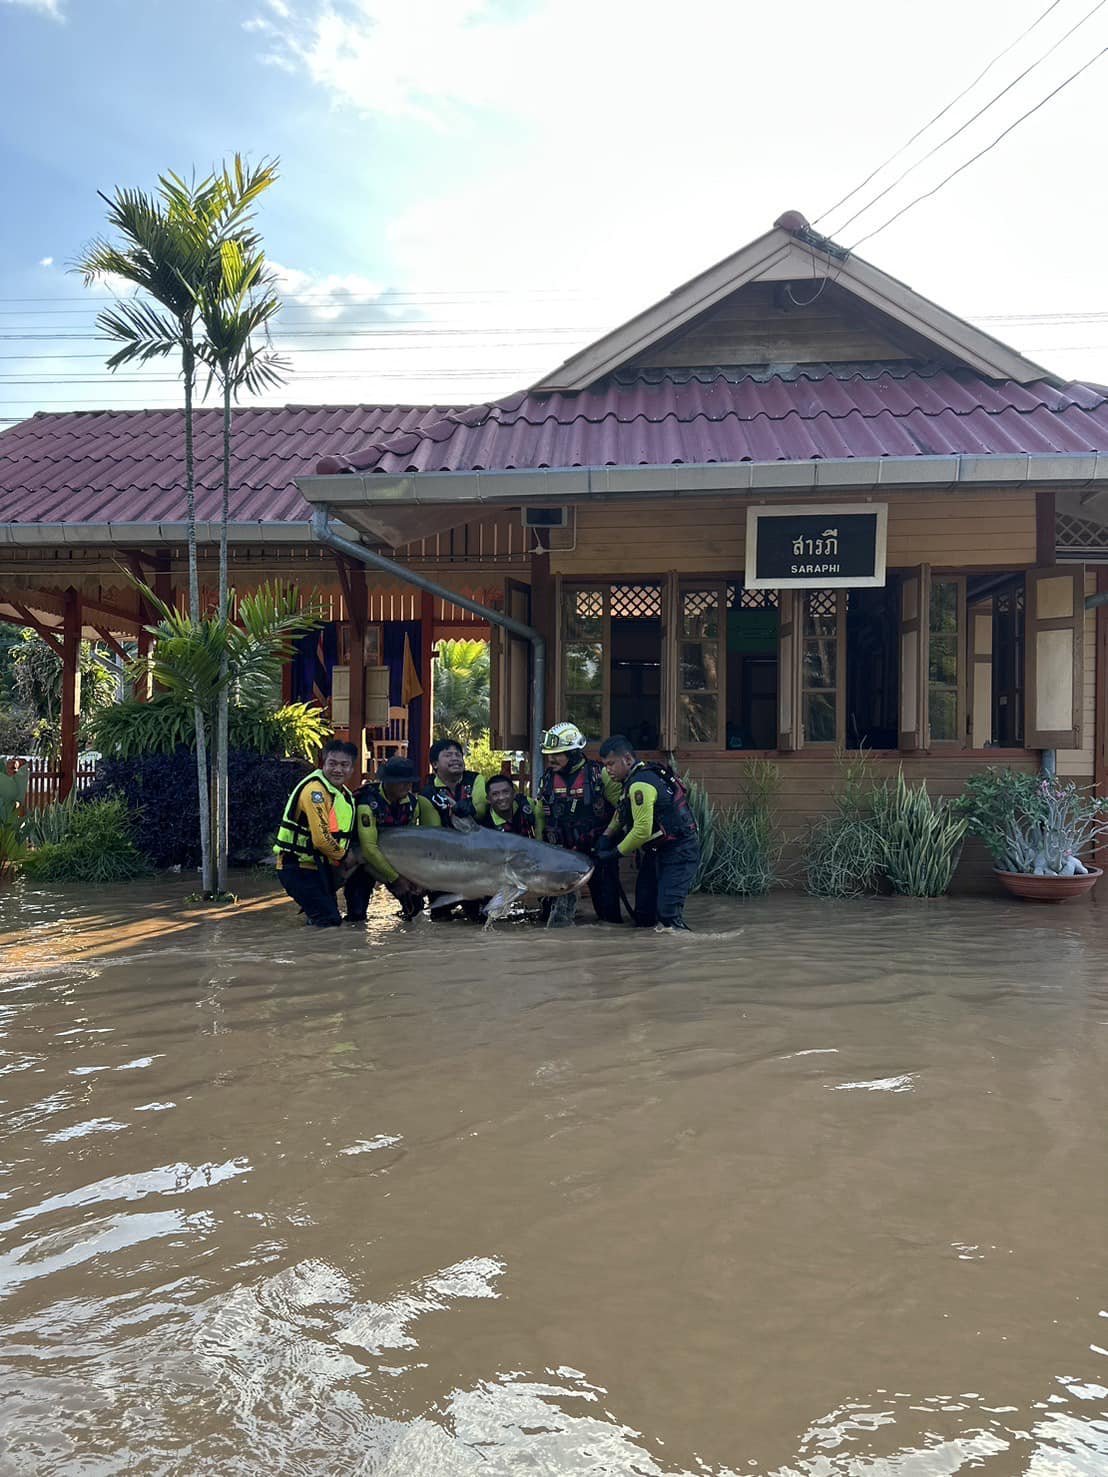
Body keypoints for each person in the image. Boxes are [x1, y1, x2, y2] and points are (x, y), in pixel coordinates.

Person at [597, 734, 700, 932]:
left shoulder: (640, 784)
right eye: (605, 765)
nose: (607, 770)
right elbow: (622, 813)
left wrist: (615, 853)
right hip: (657, 853)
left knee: (668, 915)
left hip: (680, 851)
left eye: (611, 764)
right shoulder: (631, 781)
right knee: (644, 914)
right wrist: (605, 836)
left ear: (627, 759)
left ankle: (684, 951)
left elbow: (642, 831)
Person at [536, 721, 622, 925]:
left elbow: (622, 809)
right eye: (549, 754)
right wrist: (539, 847)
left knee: (609, 917)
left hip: (598, 852)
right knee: (552, 921)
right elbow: (541, 814)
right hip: (560, 856)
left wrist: (606, 837)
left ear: (574, 753)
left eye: (557, 754)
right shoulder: (547, 779)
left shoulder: (600, 774)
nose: (551, 758)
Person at [274, 738, 359, 927]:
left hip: (318, 868)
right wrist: (346, 856)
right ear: (323, 764)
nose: (338, 770)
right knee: (328, 922)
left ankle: (308, 951)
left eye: (344, 765)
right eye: (332, 763)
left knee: (325, 919)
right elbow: (321, 840)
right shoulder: (315, 791)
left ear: (352, 769)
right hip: (298, 867)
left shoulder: (343, 794)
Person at [349, 755, 441, 921]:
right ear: (388, 781)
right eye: (401, 781)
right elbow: (368, 849)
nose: (407, 785)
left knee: (415, 908)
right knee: (357, 914)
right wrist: (396, 880)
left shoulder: (413, 803)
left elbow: (412, 844)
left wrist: (417, 878)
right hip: (364, 862)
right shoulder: (367, 803)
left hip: (396, 859)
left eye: (409, 781)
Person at [421, 738, 488, 920]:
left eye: (458, 755)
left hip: (476, 858)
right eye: (448, 755)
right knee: (440, 918)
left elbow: (481, 810)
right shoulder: (427, 793)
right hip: (443, 861)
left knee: (478, 917)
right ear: (435, 764)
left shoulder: (475, 779)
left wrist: (468, 809)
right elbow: (433, 832)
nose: (455, 758)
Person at [480, 774, 543, 840]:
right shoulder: (484, 825)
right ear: (488, 799)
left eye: (505, 792)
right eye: (495, 794)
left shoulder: (527, 803)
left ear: (514, 793)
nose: (501, 797)